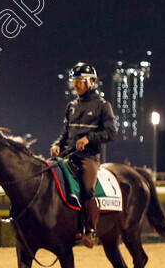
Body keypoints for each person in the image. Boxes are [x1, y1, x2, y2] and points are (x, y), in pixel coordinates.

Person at [50, 62, 117, 248]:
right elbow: (65, 134)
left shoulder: (103, 106)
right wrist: (56, 144)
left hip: (89, 157)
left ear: (91, 82)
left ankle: (91, 230)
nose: (76, 85)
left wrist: (89, 138)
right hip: (68, 155)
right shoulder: (71, 106)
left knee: (87, 189)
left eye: (80, 81)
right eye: (74, 81)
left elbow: (111, 133)